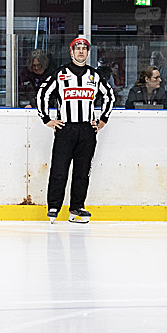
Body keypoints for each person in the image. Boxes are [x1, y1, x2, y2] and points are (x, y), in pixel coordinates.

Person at [35, 36, 114, 224]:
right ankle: (54, 206)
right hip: (66, 129)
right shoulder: (61, 74)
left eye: (84, 49)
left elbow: (109, 95)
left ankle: (77, 206)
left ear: (88, 52)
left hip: (87, 130)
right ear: (71, 52)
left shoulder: (94, 76)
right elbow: (42, 94)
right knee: (59, 170)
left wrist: (103, 119)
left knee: (82, 171)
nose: (81, 51)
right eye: (77, 48)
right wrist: (47, 119)